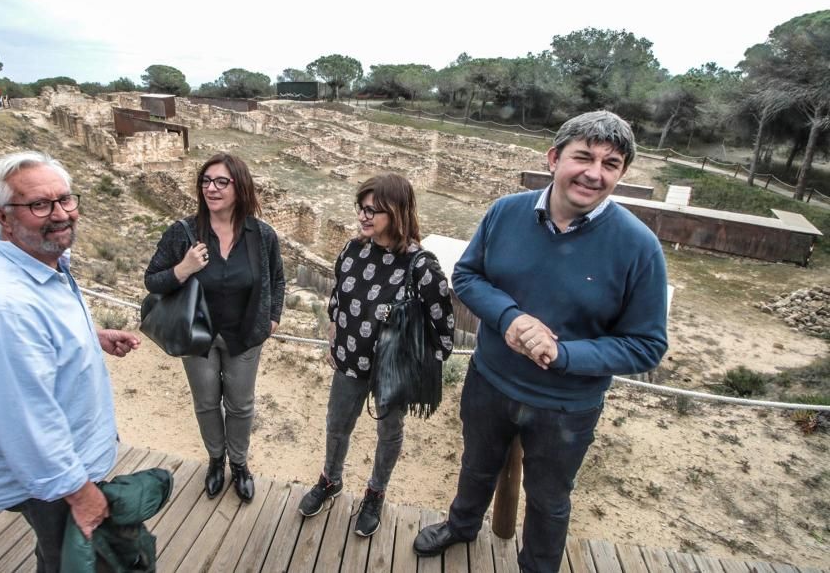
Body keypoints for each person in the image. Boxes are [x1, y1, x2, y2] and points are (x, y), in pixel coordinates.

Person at [413, 110, 669, 571]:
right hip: (490, 381)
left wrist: (563, 353)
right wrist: (509, 318)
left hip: (566, 406)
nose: (594, 173)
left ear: (622, 173)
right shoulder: (505, 212)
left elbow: (646, 345)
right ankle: (462, 526)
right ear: (554, 158)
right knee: (475, 466)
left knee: (550, 499)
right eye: (583, 157)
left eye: (611, 164)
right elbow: (467, 276)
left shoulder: (639, 246)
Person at [0, 151, 140, 573]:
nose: (60, 214)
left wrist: (90, 339)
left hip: (66, 463)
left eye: (65, 199)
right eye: (39, 204)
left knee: (56, 551)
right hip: (57, 479)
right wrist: (81, 493)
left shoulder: (40, 261)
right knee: (81, 560)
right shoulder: (2, 308)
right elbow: (24, 420)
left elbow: (37, 348)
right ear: (3, 216)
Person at [298, 173, 455, 537]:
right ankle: (330, 479)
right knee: (337, 424)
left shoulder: (421, 266)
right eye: (362, 208)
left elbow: (443, 326)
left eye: (375, 210)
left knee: (389, 432)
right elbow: (337, 300)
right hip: (349, 361)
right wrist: (334, 338)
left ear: (397, 213)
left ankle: (375, 493)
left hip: (392, 372)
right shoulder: (353, 250)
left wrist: (418, 365)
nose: (364, 216)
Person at [144, 153, 285, 504]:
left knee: (240, 405)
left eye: (222, 181)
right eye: (206, 181)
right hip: (198, 337)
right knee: (206, 403)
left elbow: (278, 279)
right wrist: (184, 268)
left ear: (240, 186)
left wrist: (273, 317)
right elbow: (153, 280)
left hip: (245, 336)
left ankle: (238, 464)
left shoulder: (262, 235)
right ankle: (215, 459)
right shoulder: (183, 233)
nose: (212, 188)